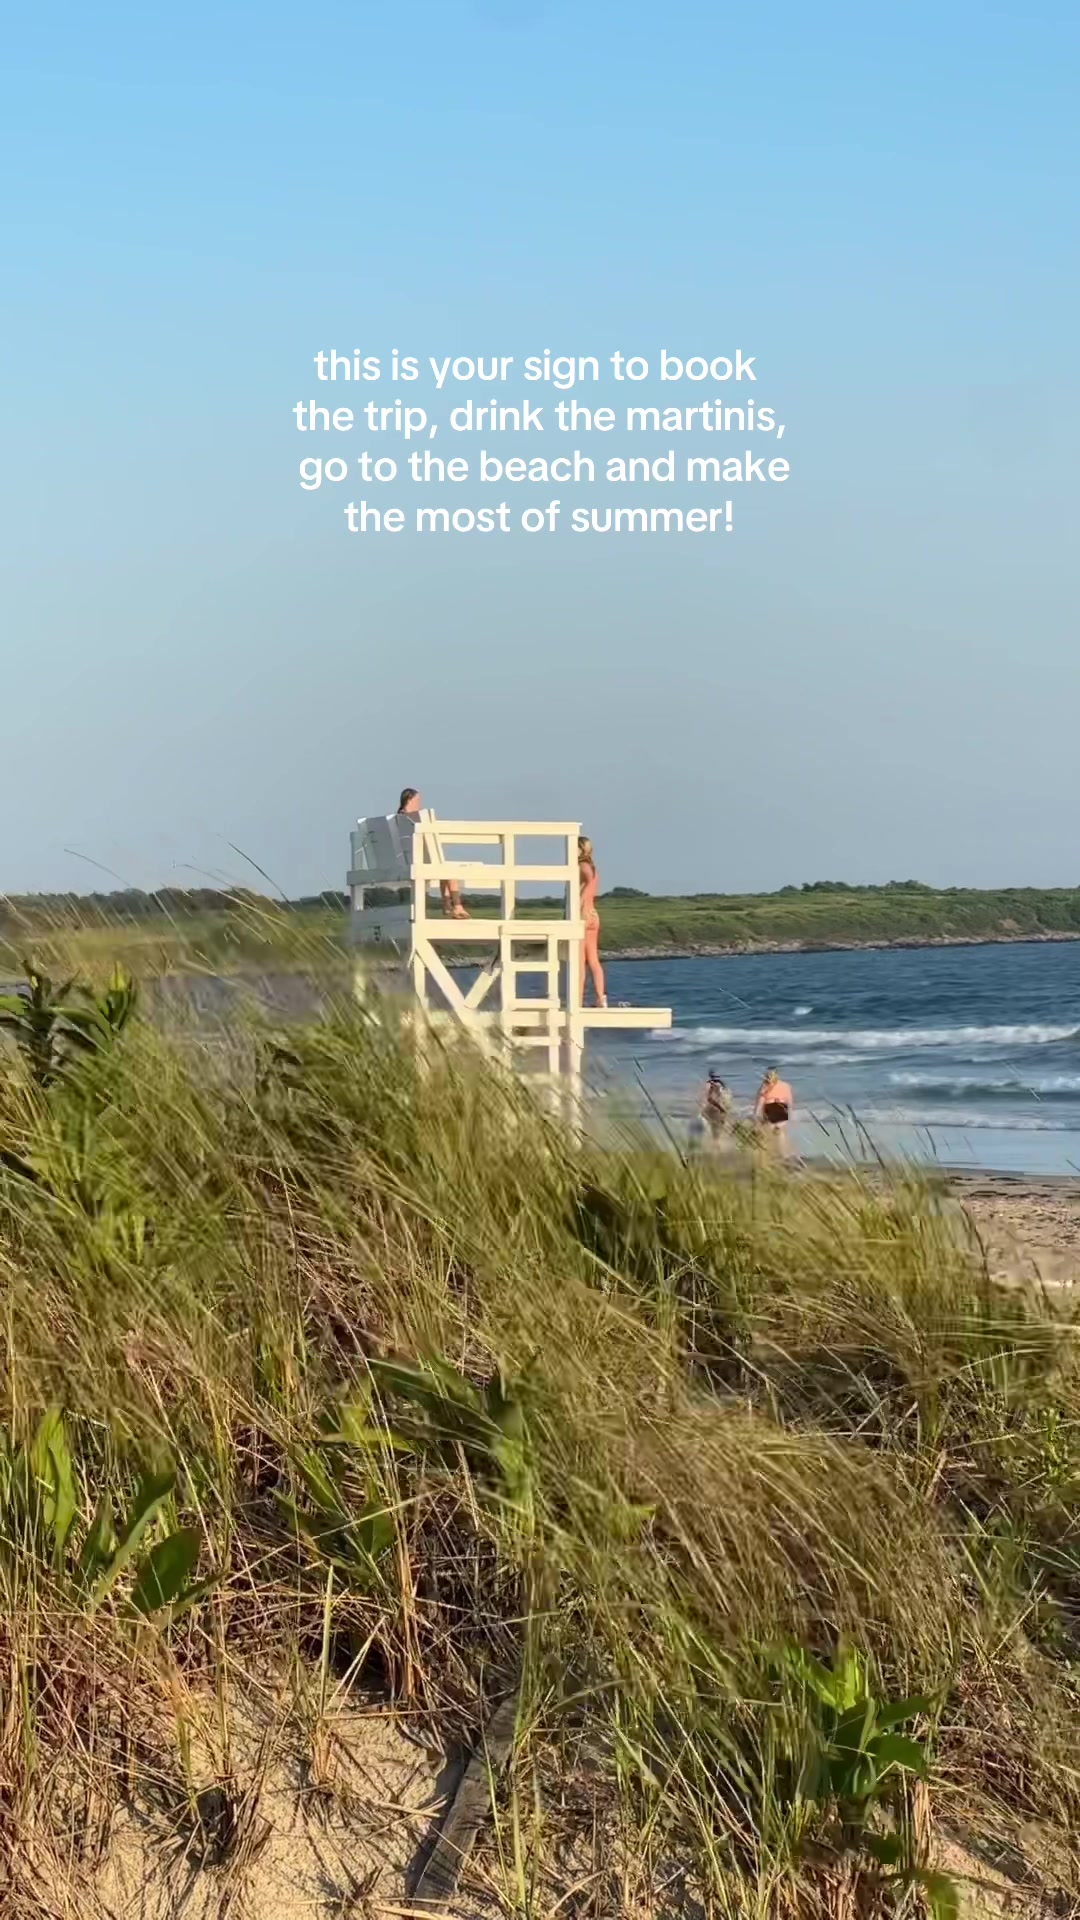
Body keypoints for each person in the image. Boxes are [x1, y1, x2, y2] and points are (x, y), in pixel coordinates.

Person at [397, 787, 468, 919]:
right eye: (418, 800)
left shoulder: (398, 819)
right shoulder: (416, 818)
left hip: (406, 860)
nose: (420, 803)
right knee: (449, 870)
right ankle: (457, 906)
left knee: (443, 868)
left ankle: (448, 905)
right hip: (418, 860)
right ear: (410, 799)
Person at [578, 835, 607, 1007]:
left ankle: (578, 1000)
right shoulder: (593, 867)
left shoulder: (581, 866)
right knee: (594, 960)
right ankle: (600, 998)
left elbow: (587, 882)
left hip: (583, 914)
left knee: (580, 962)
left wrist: (579, 902)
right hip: (593, 914)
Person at [754, 1066, 793, 1154]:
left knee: (767, 1132)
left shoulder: (765, 1087)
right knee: (780, 1132)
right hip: (782, 1107)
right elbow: (789, 1101)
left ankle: (768, 1152)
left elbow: (760, 1102)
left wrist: (756, 1114)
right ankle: (782, 1152)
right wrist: (790, 1113)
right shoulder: (785, 1085)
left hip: (770, 1107)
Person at [701, 1068, 733, 1145]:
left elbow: (708, 1098)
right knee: (717, 1127)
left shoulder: (710, 1084)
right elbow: (711, 1098)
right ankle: (716, 1143)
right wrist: (722, 1108)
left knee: (715, 1127)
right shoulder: (718, 1085)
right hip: (716, 1109)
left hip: (713, 1109)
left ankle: (715, 1143)